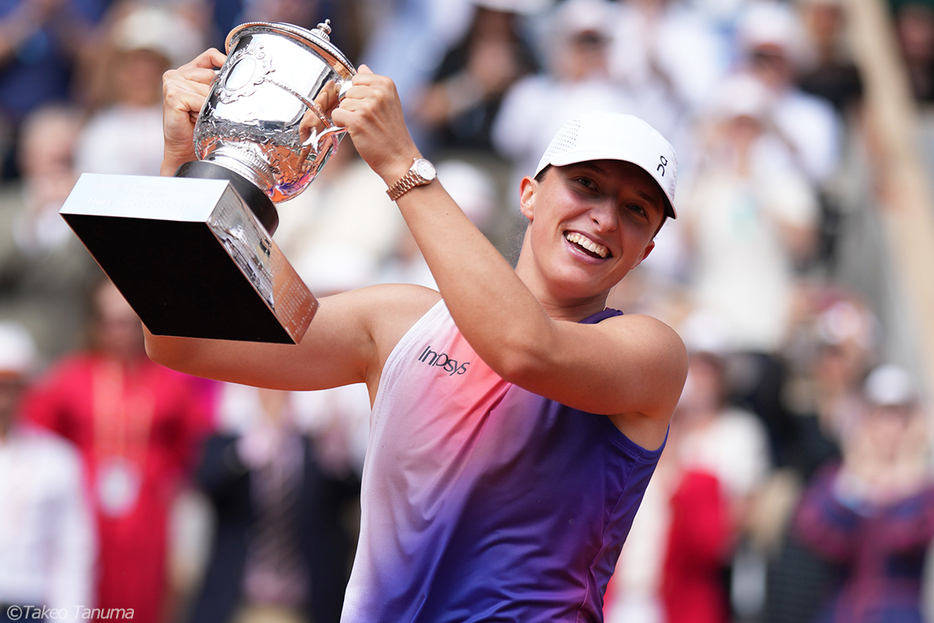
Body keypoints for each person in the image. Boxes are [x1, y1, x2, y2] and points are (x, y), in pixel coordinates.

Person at [155, 48, 687, 621]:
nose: (606, 218)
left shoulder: (652, 352)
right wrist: (187, 168)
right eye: (586, 184)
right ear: (528, 194)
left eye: (636, 211)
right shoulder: (397, 321)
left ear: (649, 249)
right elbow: (182, 339)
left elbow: (525, 349)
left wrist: (401, 163)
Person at [22, 279, 212, 623]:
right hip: (83, 510)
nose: (118, 332)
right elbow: (38, 434)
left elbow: (196, 438)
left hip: (148, 514)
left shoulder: (170, 380)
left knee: (141, 602)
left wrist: (172, 478)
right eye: (109, 321)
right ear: (95, 323)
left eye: (127, 322)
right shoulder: (72, 376)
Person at [0, 321, 95, 623]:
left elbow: (73, 554)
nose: (3, 398)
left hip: (26, 608)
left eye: (11, 385)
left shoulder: (57, 460)